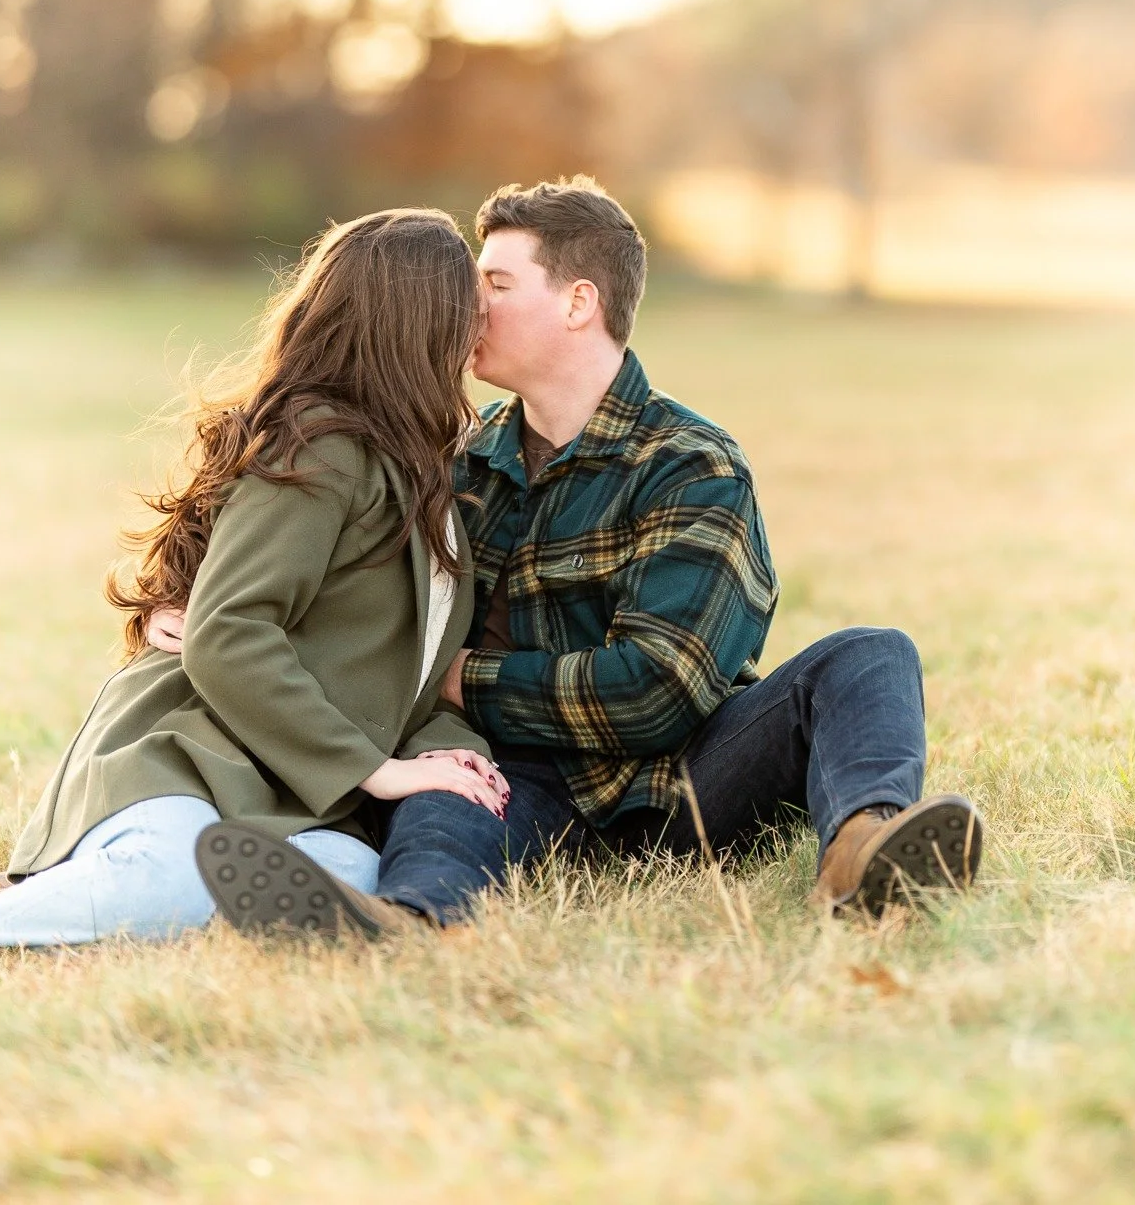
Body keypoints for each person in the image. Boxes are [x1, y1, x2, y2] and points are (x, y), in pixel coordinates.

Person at [156, 178, 983, 938]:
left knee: (872, 654)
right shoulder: (454, 463)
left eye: (496, 286)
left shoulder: (689, 463)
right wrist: (181, 598)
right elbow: (322, 560)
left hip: (687, 783)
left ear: (578, 302)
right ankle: (406, 923)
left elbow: (658, 687)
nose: (466, 306)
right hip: (512, 783)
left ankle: (862, 853)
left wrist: (459, 679)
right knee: (444, 792)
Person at [0, 209, 509, 966]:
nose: (481, 317)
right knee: (168, 882)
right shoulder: (327, 447)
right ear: (416, 321)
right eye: (469, 299)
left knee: (352, 874)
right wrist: (382, 770)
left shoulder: (423, 463)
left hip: (289, 792)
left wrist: (452, 757)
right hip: (189, 758)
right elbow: (229, 632)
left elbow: (411, 664)